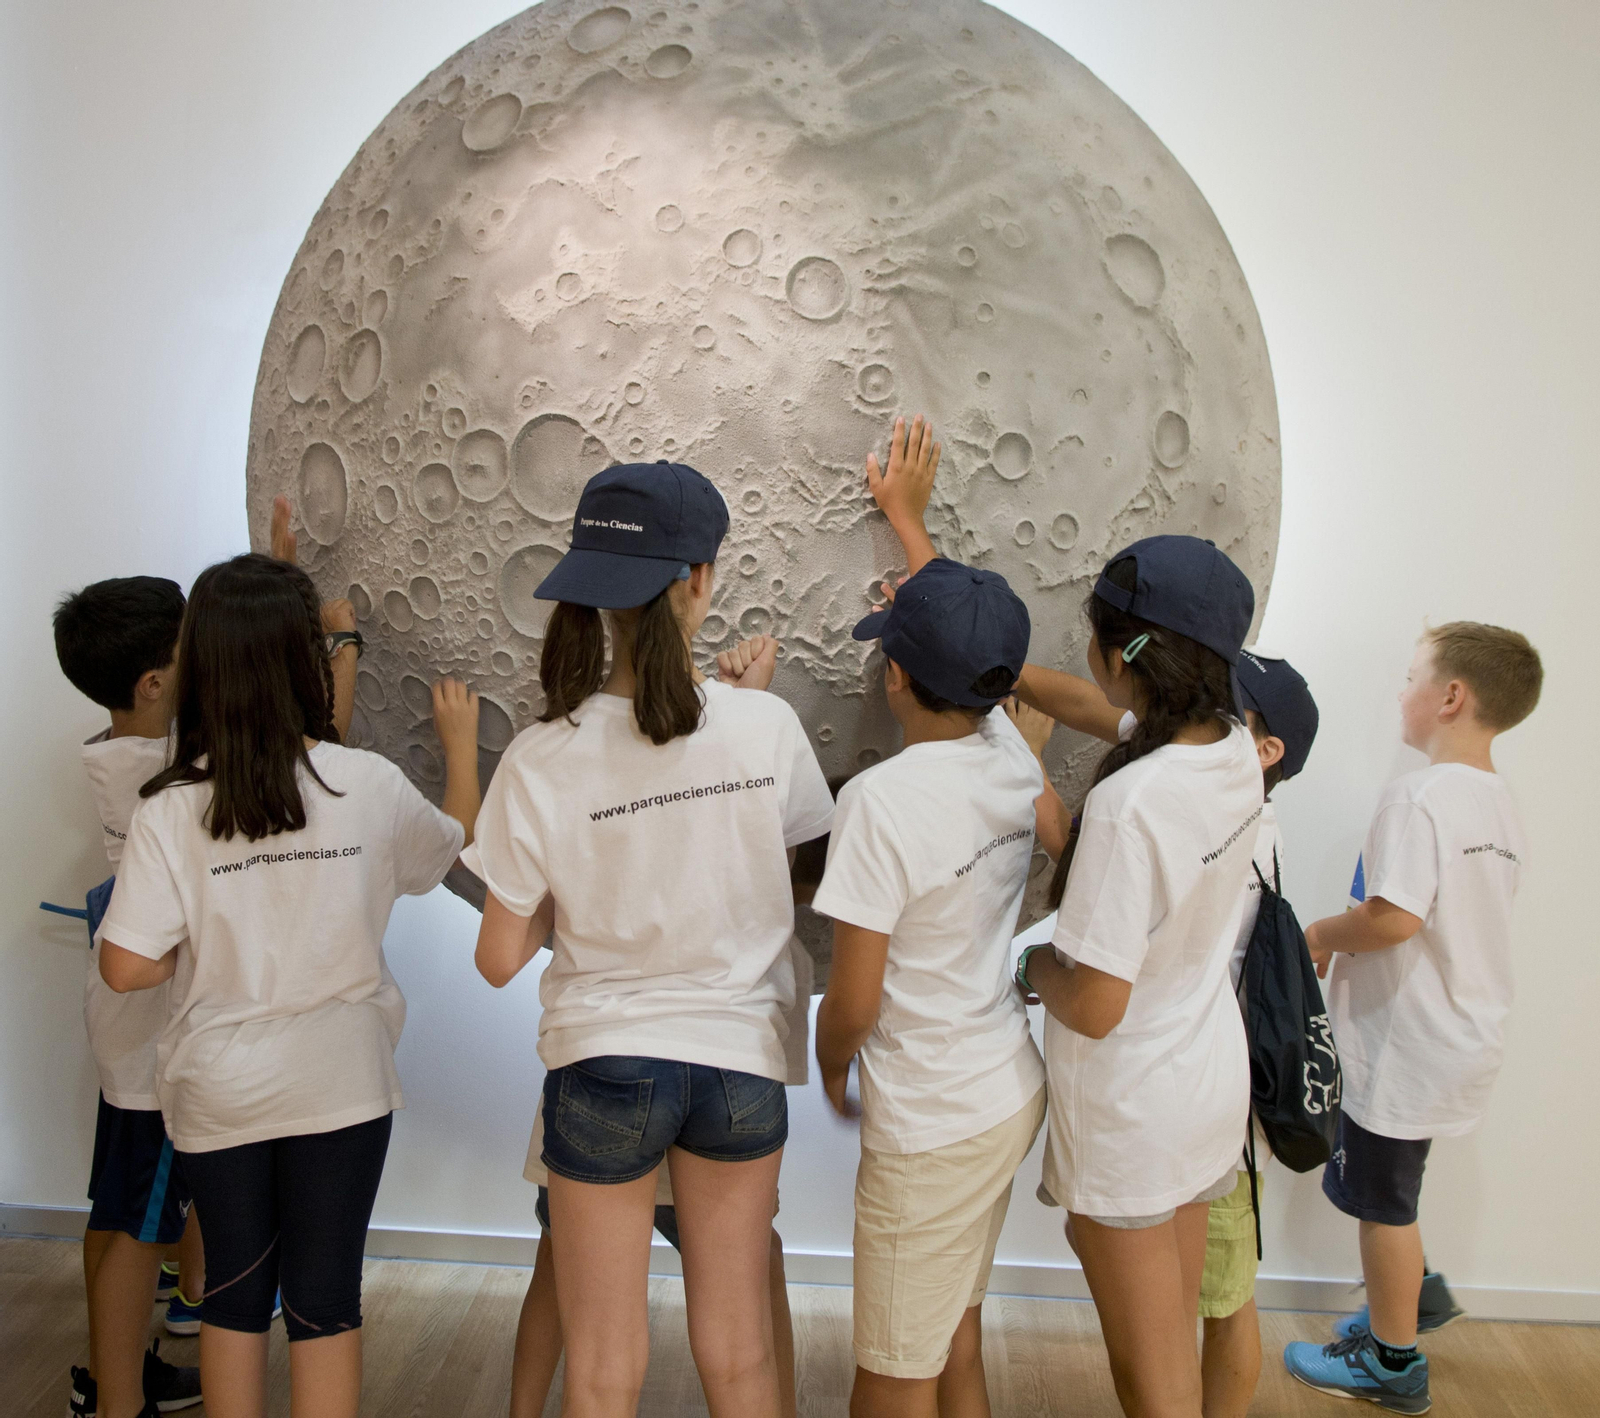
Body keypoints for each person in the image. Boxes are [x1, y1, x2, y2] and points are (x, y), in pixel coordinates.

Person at [467, 461, 834, 1418]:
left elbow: (500, 957)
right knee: (742, 1355)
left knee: (601, 1369)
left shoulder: (540, 754)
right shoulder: (768, 727)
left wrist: (575, 886)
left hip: (602, 1067)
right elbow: (797, 875)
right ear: (700, 580)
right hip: (740, 1067)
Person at [95, 552, 478, 1418]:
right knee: (324, 1302)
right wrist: (460, 751)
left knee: (232, 1296)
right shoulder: (367, 785)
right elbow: (450, 845)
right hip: (341, 1081)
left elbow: (125, 966)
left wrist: (194, 944)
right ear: (308, 659)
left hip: (219, 1090)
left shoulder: (169, 809)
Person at [51, 501, 357, 1418]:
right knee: (132, 1226)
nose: (209, 659)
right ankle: (115, 1403)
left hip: (133, 1036)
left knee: (118, 1216)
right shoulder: (167, 771)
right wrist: (336, 647)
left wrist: (275, 572)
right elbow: (319, 756)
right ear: (155, 683)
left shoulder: (129, 746)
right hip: (155, 1049)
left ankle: (122, 1374)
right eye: (194, 647)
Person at [810, 416, 1046, 1418]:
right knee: (953, 1333)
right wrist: (912, 525)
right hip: (1002, 1086)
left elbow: (853, 999)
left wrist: (827, 1065)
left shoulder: (880, 803)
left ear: (893, 675)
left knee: (894, 1371)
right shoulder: (1006, 747)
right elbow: (970, 647)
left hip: (932, 1118)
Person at [1016, 535, 1263, 1418]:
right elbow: (1099, 708)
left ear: (1121, 653)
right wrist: (1008, 670)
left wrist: (1029, 960)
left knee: (1155, 1390)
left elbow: (1094, 1004)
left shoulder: (1131, 807)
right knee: (1168, 1365)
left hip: (1134, 1115)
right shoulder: (1231, 747)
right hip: (1201, 1090)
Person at [1284, 622, 1543, 1415]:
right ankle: (1413, 1299)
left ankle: (1393, 1361)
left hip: (1403, 1043)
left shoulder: (1419, 796)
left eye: (1411, 676)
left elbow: (1394, 919)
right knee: (1397, 1183)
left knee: (1380, 1201)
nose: (1400, 692)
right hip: (1459, 1035)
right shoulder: (1499, 804)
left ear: (1451, 697)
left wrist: (1317, 936)